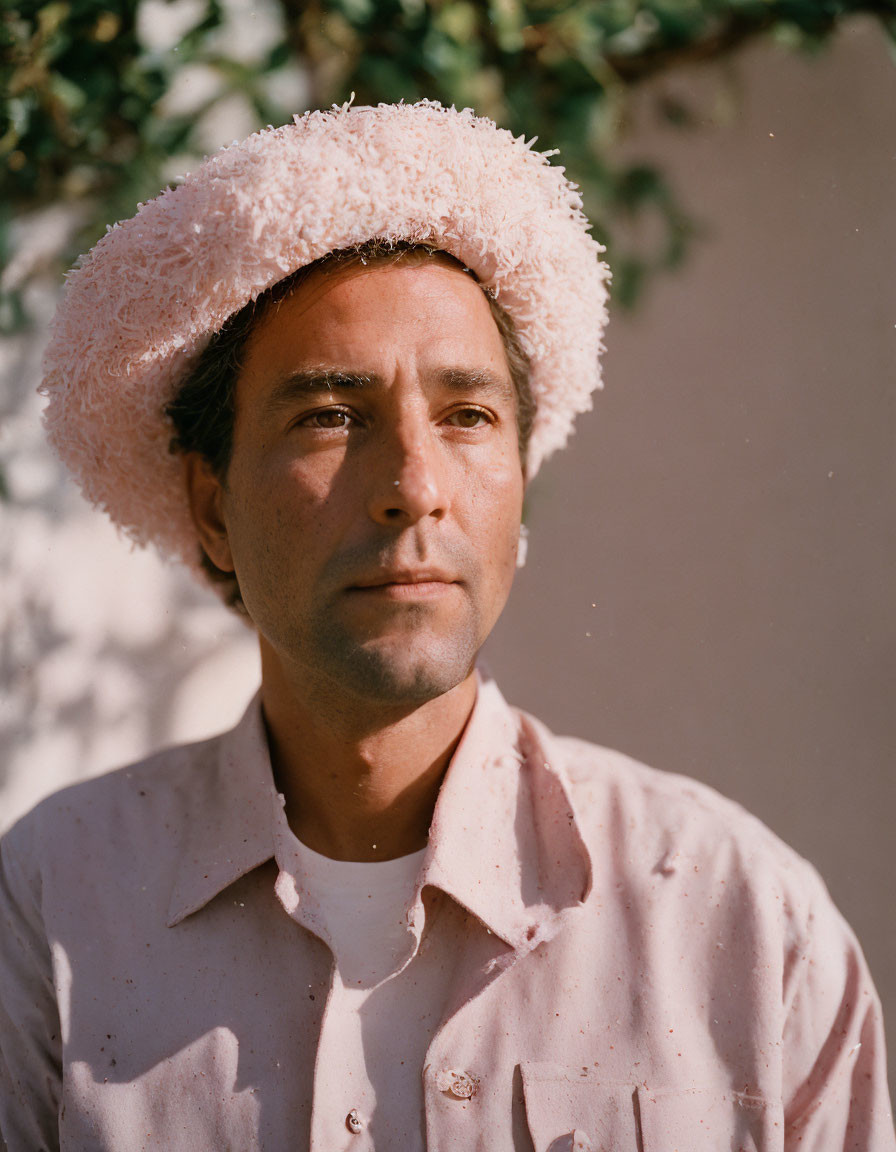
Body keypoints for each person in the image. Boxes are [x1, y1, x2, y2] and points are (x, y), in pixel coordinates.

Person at [0, 101, 892, 1151]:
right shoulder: (54, 902)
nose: (415, 487)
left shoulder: (740, 919)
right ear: (211, 510)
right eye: (331, 415)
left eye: (467, 415)